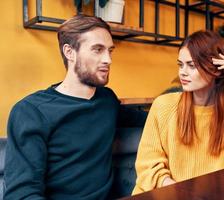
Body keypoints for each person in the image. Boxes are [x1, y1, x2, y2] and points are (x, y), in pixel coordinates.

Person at [4, 14, 146, 200]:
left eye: (110, 51)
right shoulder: (31, 112)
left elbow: (151, 117)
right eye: (97, 50)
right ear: (70, 52)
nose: (108, 60)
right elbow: (20, 194)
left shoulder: (107, 100)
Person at [132, 30, 224, 194]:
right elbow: (148, 168)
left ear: (215, 69)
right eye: (181, 64)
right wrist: (185, 194)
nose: (182, 72)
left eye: (191, 65)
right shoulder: (163, 106)